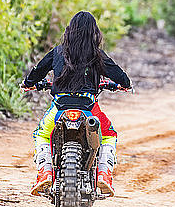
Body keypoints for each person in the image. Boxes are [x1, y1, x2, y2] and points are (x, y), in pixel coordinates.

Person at [21, 11, 131, 197]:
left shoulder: (58, 51)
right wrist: (124, 85)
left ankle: (45, 172)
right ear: (93, 33)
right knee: (109, 134)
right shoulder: (97, 55)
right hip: (88, 108)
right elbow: (121, 76)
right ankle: (103, 173)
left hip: (60, 107)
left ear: (70, 31)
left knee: (41, 134)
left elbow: (38, 71)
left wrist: (29, 83)